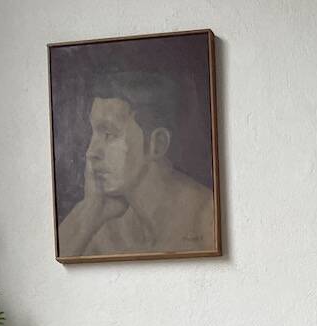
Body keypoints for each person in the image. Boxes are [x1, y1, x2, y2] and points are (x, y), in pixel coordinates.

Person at [58, 71, 215, 258]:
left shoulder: (208, 218)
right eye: (93, 133)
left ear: (157, 144)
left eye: (109, 135)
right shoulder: (102, 220)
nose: (91, 152)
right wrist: (89, 214)